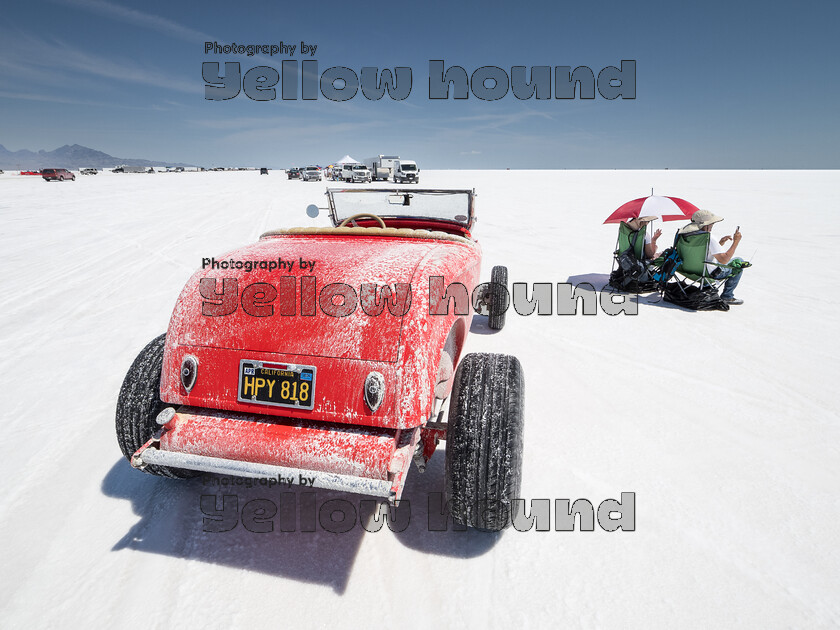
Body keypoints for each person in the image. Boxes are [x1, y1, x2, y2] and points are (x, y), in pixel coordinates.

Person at [680, 209, 744, 305]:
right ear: (705, 225)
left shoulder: (683, 235)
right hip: (708, 274)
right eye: (711, 224)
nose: (712, 226)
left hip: (689, 270)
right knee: (739, 262)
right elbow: (724, 260)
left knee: (709, 262)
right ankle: (727, 296)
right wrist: (736, 241)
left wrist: (720, 244)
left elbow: (701, 253)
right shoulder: (708, 237)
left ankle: (707, 287)